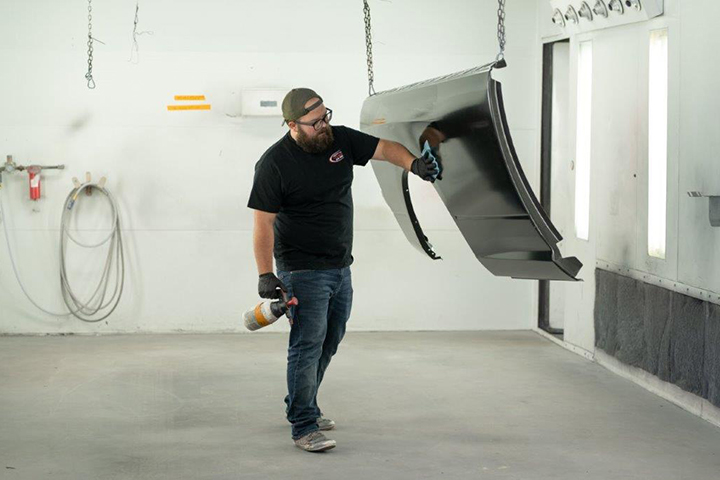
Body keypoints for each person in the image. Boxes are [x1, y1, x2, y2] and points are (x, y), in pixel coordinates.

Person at [247, 88, 441, 452]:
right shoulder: (274, 163)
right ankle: (303, 426)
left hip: (339, 266)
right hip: (302, 271)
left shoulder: (340, 140)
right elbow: (263, 224)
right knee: (306, 346)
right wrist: (264, 272)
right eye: (315, 122)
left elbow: (384, 148)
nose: (324, 125)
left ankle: (301, 405)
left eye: (326, 116)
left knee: (330, 340)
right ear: (292, 125)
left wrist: (414, 164)